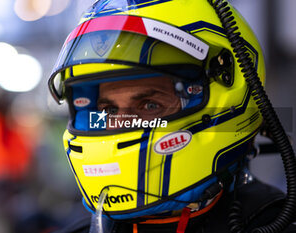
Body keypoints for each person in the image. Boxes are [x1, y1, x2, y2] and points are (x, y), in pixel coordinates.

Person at [48, 0, 296, 232]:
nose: (121, 123)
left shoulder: (275, 222)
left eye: (149, 106)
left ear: (225, 97)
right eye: (109, 111)